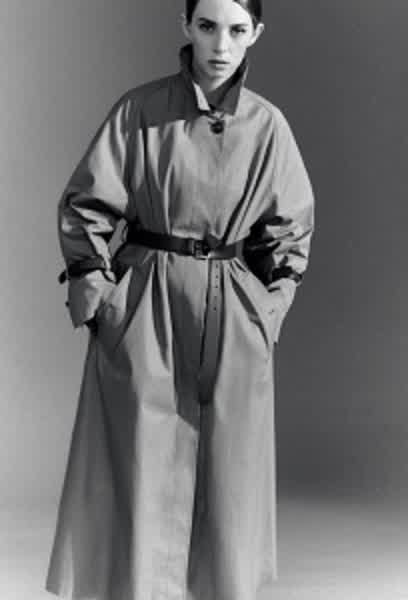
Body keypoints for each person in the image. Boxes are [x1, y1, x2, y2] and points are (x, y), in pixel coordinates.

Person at [45, 0, 314, 598]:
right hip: (147, 300)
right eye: (208, 26)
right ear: (186, 26)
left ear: (257, 33)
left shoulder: (267, 125)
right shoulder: (139, 111)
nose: (221, 45)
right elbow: (86, 204)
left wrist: (268, 309)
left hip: (233, 306)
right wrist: (101, 292)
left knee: (231, 472)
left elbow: (290, 229)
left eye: (237, 30)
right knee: (141, 459)